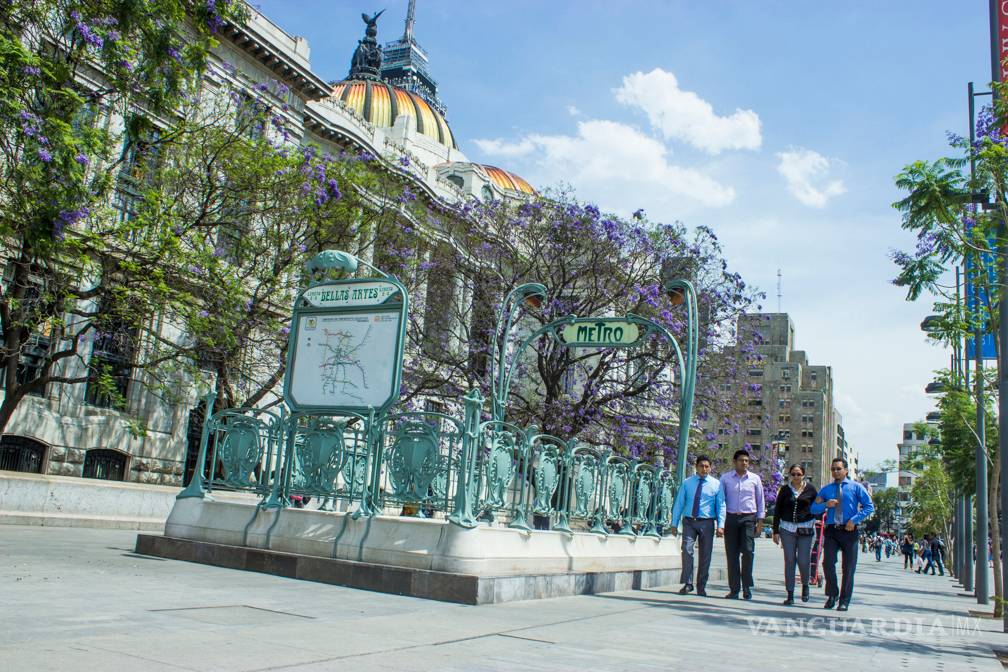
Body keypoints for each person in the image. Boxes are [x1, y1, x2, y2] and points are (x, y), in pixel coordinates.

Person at [811, 457, 874, 611]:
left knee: (849, 567)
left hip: (849, 530)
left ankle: (844, 600)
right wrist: (826, 504)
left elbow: (869, 507)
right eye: (833, 469)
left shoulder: (856, 487)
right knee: (828, 563)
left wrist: (854, 520)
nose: (836, 471)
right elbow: (813, 509)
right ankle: (833, 594)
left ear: (846, 470)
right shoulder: (826, 489)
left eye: (839, 468)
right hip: (832, 530)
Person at [670, 454, 725, 597]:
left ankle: (701, 585)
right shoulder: (687, 483)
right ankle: (688, 583)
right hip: (689, 521)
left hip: (707, 523)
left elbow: (721, 505)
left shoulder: (716, 484)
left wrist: (721, 525)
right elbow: (679, 503)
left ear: (710, 468)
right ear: (696, 467)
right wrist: (674, 523)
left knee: (705, 555)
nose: (704, 469)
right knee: (687, 550)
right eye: (701, 466)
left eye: (707, 466)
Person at [721, 449, 765, 600]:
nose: (744, 463)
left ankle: (746, 587)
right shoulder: (725, 478)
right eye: (741, 460)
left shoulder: (755, 479)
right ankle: (734, 589)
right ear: (735, 462)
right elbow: (721, 501)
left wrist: (760, 522)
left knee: (748, 552)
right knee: (732, 555)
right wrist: (720, 522)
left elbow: (760, 500)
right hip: (731, 518)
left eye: (747, 461)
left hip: (748, 519)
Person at [772, 463, 818, 605]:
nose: (796, 476)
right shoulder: (785, 490)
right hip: (787, 529)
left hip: (806, 528)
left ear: (803, 475)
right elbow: (778, 509)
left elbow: (817, 506)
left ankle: (805, 584)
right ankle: (790, 594)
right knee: (790, 560)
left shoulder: (811, 489)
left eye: (799, 474)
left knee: (804, 560)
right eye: (793, 474)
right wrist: (775, 531)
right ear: (790, 475)